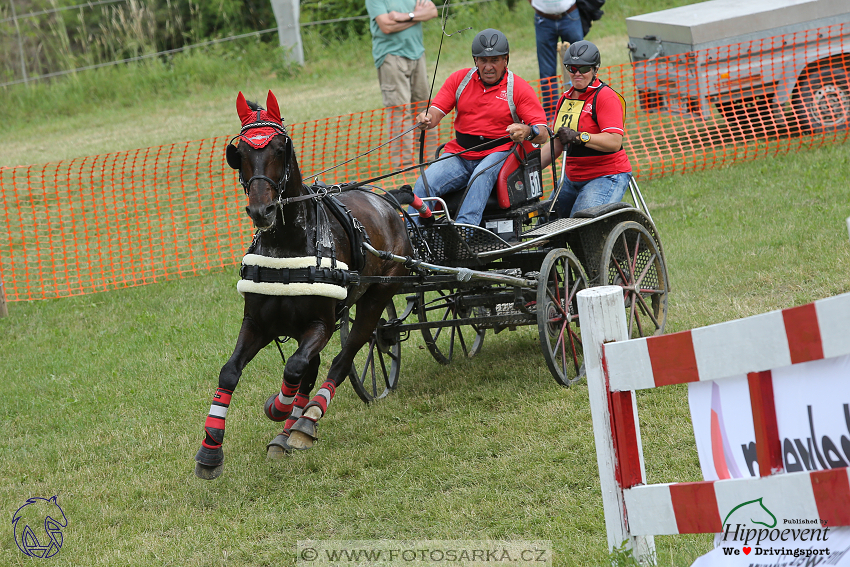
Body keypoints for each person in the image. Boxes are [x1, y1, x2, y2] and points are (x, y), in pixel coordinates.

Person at [412, 29, 549, 227]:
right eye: (483, 60)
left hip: (499, 152)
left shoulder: (518, 88)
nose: (488, 66)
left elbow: (542, 133)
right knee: (424, 184)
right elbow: (435, 113)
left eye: (494, 60)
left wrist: (527, 131)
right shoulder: (460, 80)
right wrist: (426, 118)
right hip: (461, 152)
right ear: (475, 60)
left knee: (480, 176)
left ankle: (464, 232)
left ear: (506, 60)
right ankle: (415, 237)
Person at [541, 40, 632, 218]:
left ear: (595, 69)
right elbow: (557, 145)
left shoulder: (605, 97)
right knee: (546, 223)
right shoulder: (564, 99)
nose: (577, 74)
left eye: (583, 69)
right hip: (571, 178)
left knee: (581, 223)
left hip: (606, 175)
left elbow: (614, 141)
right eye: (572, 68)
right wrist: (527, 167)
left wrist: (579, 137)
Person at [366, 0, 439, 168]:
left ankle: (432, 158)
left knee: (425, 106)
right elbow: (386, 27)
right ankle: (404, 165)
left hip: (417, 53)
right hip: (390, 56)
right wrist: (417, 17)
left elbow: (432, 11)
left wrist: (404, 17)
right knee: (400, 109)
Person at [526, 0, 584, 119]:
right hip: (543, 18)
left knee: (581, 66)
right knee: (547, 73)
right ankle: (552, 118)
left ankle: (585, 108)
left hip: (570, 14)